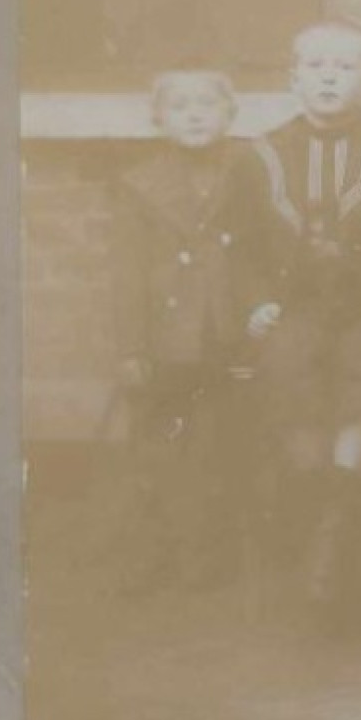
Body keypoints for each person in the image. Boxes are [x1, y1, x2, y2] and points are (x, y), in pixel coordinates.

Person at [241, 20, 361, 615]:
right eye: (316, 66)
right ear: (293, 78)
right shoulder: (261, 156)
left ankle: (340, 517)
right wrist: (255, 299)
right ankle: (314, 510)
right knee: (288, 364)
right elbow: (245, 246)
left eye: (345, 67)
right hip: (295, 305)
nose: (329, 77)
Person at [109, 69, 262, 595]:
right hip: (167, 334)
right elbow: (127, 274)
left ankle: (212, 556)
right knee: (158, 446)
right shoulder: (141, 184)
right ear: (159, 119)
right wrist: (130, 346)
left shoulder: (250, 169)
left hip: (227, 328)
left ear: (230, 114)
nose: (195, 114)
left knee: (219, 443)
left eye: (207, 104)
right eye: (179, 106)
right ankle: (152, 552)